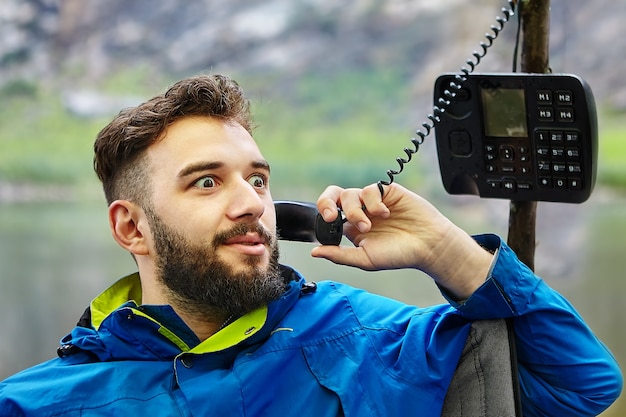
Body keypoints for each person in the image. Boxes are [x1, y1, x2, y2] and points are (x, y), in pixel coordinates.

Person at [0, 74, 621, 416]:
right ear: (131, 228)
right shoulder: (39, 403)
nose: (250, 202)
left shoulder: (369, 339)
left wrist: (446, 251)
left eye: (259, 179)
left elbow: (581, 385)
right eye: (207, 181)